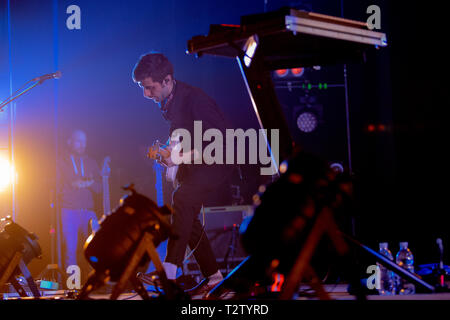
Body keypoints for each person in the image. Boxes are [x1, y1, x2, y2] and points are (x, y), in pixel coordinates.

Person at [132, 53, 234, 297]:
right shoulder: (169, 101)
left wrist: (178, 158)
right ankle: (214, 277)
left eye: (150, 88)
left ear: (167, 80)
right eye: (143, 88)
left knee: (182, 199)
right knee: (186, 214)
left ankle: (169, 272)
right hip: (198, 162)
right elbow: (182, 134)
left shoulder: (195, 99)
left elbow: (218, 143)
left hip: (220, 159)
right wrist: (168, 151)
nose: (146, 94)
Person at [57, 129, 101, 286]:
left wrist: (88, 183)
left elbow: (99, 187)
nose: (82, 144)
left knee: (95, 248)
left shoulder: (91, 162)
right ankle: (72, 286)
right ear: (70, 142)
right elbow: (60, 186)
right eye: (78, 141)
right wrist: (76, 184)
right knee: (71, 251)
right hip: (69, 211)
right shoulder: (62, 162)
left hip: (88, 211)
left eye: (84, 141)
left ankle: (94, 285)